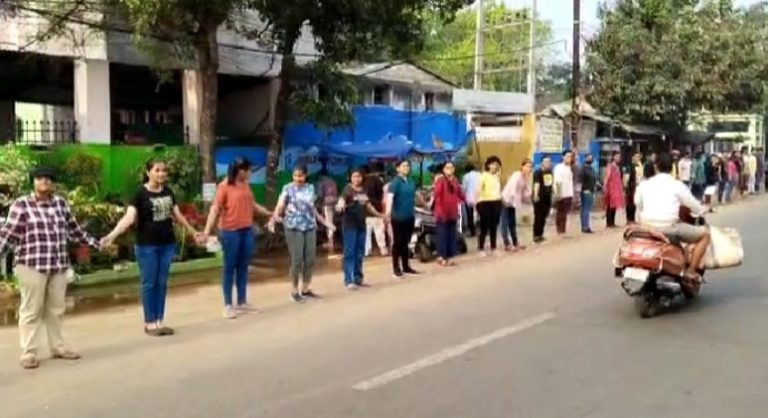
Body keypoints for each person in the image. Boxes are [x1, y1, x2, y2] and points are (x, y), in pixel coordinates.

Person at [0, 166, 101, 369]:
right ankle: (28, 353)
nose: (45, 181)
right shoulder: (22, 205)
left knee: (56, 309)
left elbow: (74, 230)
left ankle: (57, 347)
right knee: (31, 309)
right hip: (31, 264)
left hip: (58, 265)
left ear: (53, 183)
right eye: (40, 178)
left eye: (49, 178)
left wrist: (97, 243)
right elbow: (8, 234)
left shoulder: (60, 204)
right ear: (33, 182)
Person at [102, 160, 201, 336]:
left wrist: (193, 232)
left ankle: (159, 321)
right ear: (148, 172)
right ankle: (150, 322)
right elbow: (129, 218)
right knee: (149, 283)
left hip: (167, 244)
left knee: (162, 283)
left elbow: (178, 216)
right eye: (157, 170)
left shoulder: (168, 191)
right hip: (147, 245)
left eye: (164, 171)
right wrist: (112, 235)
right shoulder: (140, 194)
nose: (161, 174)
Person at [203, 158, 272, 319]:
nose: (250, 173)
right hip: (230, 232)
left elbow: (253, 205)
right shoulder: (224, 186)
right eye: (248, 171)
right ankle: (228, 305)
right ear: (241, 170)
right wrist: (206, 231)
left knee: (243, 267)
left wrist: (270, 213)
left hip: (246, 230)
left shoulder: (246, 185)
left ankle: (242, 302)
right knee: (229, 268)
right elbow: (215, 209)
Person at [634, 152, 710, 282]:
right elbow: (693, 205)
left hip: (646, 227)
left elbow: (637, 203)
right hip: (669, 227)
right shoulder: (677, 185)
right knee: (704, 236)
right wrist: (703, 209)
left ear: (656, 166)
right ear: (672, 167)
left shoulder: (644, 184)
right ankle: (691, 271)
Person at [272, 166, 335, 303]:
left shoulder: (310, 188)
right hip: (293, 227)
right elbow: (281, 204)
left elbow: (312, 209)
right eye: (295, 176)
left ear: (306, 176)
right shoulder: (287, 188)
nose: (298, 179)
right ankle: (294, 291)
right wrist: (276, 215)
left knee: (310, 259)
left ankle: (305, 288)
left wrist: (325, 222)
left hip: (310, 226)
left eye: (300, 176)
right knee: (297, 260)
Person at [336, 168, 383, 290]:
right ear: (350, 177)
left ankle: (358, 278)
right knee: (350, 252)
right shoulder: (347, 189)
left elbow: (368, 206)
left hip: (361, 224)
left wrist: (380, 215)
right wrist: (340, 205)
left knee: (359, 252)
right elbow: (341, 200)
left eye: (359, 176)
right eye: (354, 176)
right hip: (349, 225)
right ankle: (348, 280)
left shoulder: (363, 190)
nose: (357, 179)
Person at [432, 161, 465, 266]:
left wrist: (463, 200)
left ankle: (450, 257)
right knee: (442, 235)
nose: (449, 169)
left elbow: (460, 193)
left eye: (451, 167)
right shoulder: (440, 181)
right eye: (447, 167)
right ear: (443, 170)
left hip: (452, 212)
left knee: (451, 235)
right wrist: (440, 211)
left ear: (453, 169)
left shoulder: (455, 180)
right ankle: (442, 257)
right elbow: (437, 195)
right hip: (442, 213)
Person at [501, 159, 533, 250]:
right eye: (527, 166)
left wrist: (528, 200)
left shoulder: (525, 178)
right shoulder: (517, 175)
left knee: (512, 223)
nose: (528, 168)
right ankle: (507, 244)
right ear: (522, 167)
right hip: (506, 200)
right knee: (505, 223)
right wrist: (512, 202)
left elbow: (527, 192)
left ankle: (515, 243)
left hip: (514, 203)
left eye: (530, 167)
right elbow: (512, 189)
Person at [475, 156, 503, 256]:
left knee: (494, 226)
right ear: (488, 165)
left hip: (496, 202)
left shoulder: (497, 177)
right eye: (493, 164)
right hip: (485, 203)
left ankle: (493, 248)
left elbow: (498, 191)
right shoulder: (484, 175)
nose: (495, 166)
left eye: (497, 164)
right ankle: (481, 248)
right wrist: (477, 204)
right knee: (484, 227)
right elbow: (478, 190)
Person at [363, 164, 388, 257]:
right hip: (377, 209)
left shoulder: (363, 182)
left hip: (365, 211)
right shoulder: (379, 181)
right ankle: (383, 249)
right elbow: (382, 196)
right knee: (379, 231)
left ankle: (367, 250)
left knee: (366, 233)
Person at [315, 166, 339, 251]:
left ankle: (330, 241)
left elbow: (320, 194)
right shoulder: (333, 180)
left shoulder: (320, 182)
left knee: (328, 221)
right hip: (335, 201)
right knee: (332, 220)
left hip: (327, 203)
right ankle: (332, 240)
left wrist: (318, 204)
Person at [532, 157, 554, 243]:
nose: (548, 163)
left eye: (549, 161)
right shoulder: (538, 172)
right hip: (539, 197)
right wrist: (536, 195)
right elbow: (536, 184)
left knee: (544, 216)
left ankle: (541, 234)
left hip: (547, 197)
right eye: (546, 161)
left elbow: (550, 184)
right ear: (541, 163)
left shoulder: (550, 172)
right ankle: (536, 236)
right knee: (538, 217)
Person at [553, 150, 575, 235]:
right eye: (567, 156)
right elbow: (557, 181)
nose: (569, 158)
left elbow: (570, 182)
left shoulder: (569, 168)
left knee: (565, 213)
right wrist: (558, 194)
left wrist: (572, 194)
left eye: (570, 156)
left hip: (568, 194)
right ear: (563, 157)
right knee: (560, 213)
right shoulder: (559, 167)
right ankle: (559, 230)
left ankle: (563, 230)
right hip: (561, 194)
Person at [604, 152, 625, 228]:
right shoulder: (610, 166)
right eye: (617, 156)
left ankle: (612, 222)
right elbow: (607, 176)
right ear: (613, 157)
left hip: (617, 189)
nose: (618, 158)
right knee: (610, 206)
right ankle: (609, 223)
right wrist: (605, 186)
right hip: (611, 188)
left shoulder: (618, 167)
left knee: (614, 206)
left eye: (619, 157)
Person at [461, 163, 481, 237]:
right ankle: (484, 230)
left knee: (470, 216)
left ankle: (472, 231)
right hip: (479, 198)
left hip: (469, 199)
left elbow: (464, 188)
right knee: (481, 214)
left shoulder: (465, 176)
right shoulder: (479, 175)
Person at [579, 154, 597, 233]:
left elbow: (594, 179)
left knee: (587, 209)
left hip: (591, 190)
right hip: (585, 191)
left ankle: (586, 226)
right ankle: (585, 227)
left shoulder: (592, 169)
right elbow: (580, 181)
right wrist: (582, 190)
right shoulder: (582, 169)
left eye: (591, 158)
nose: (590, 159)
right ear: (585, 158)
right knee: (585, 209)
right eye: (588, 158)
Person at [625, 152, 644, 224]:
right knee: (629, 203)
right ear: (633, 157)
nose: (637, 158)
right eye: (636, 156)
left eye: (638, 157)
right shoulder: (629, 166)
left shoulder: (640, 166)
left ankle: (633, 218)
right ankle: (629, 219)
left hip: (639, 186)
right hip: (631, 186)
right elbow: (626, 176)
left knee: (635, 203)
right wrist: (626, 185)